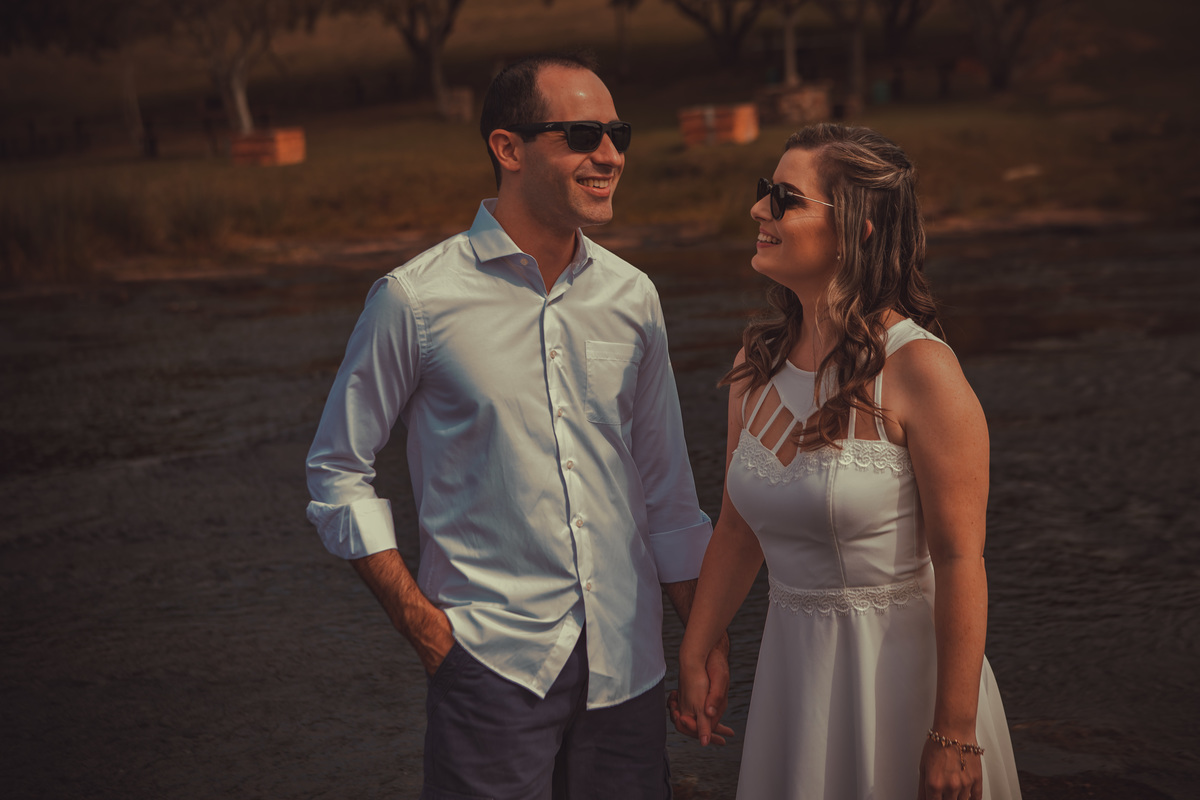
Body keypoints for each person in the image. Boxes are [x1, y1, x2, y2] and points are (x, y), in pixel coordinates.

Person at [305, 54, 728, 800]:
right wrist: (425, 627)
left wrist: (701, 638)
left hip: (628, 671)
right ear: (508, 149)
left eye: (617, 133)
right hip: (490, 669)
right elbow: (337, 469)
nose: (610, 155)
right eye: (584, 134)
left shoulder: (634, 297)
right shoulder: (415, 300)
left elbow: (665, 487)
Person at [670, 124, 1022, 799]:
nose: (758, 210)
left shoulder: (920, 369)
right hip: (794, 682)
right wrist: (696, 650)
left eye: (784, 198)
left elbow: (960, 562)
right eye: (762, 193)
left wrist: (953, 731)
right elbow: (738, 530)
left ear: (856, 227)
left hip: (900, 684)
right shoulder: (756, 366)